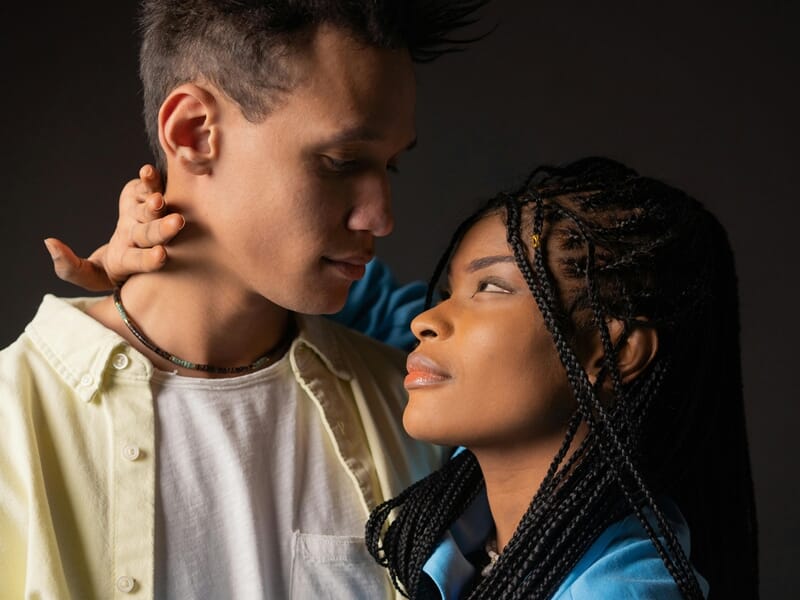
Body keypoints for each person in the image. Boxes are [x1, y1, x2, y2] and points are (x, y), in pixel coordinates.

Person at [0, 1, 489, 598]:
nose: (382, 217)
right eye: (340, 162)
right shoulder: (13, 427)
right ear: (192, 134)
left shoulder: (418, 418)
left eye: (390, 166)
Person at [362, 157, 759, 599]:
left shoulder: (620, 590)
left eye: (491, 286)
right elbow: (344, 295)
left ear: (613, 354)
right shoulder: (474, 515)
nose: (425, 321)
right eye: (448, 293)